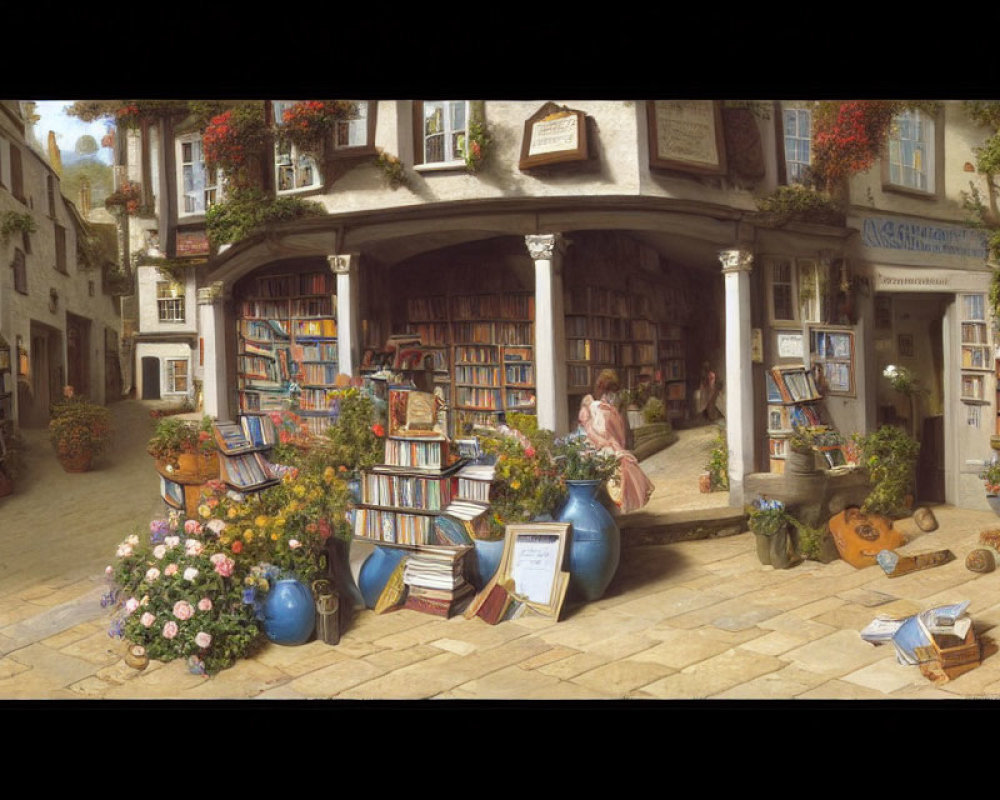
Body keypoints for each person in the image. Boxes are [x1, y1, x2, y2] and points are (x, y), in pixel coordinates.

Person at [578, 369, 654, 514]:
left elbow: (611, 433)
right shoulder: (600, 407)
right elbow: (608, 433)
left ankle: (614, 506)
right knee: (617, 463)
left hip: (600, 444)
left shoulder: (601, 407)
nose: (610, 396)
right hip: (597, 445)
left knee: (619, 463)